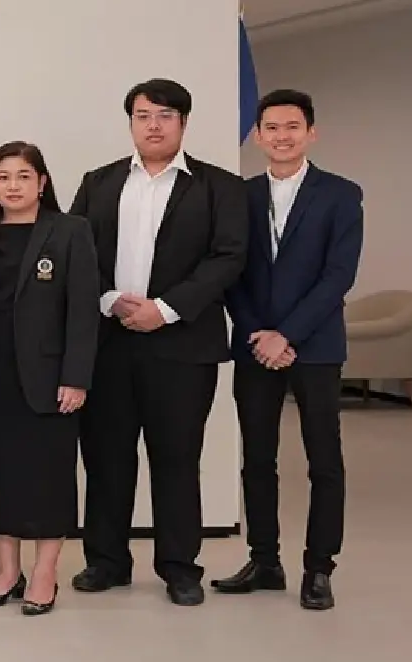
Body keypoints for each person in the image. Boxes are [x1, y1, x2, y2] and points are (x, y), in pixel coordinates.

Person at [70, 78, 248, 606]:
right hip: (107, 341)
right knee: (105, 458)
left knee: (176, 457)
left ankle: (178, 566)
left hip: (183, 345)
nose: (153, 125)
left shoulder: (219, 187)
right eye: (143, 115)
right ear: (130, 123)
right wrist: (108, 300)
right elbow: (78, 254)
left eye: (165, 115)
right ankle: (105, 561)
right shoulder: (98, 182)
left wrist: (164, 310)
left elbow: (228, 257)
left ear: (183, 123)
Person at [218, 89, 362, 610]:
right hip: (255, 344)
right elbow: (230, 269)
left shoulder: (341, 195)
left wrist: (289, 335)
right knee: (257, 458)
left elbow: (337, 276)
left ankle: (319, 568)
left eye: (292, 126)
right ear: (258, 136)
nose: (281, 136)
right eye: (272, 128)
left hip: (316, 346)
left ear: (311, 133)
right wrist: (260, 332)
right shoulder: (240, 196)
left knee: (324, 461)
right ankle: (265, 560)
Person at [0, 142, 98, 617]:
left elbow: (82, 311)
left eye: (22, 176)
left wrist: (76, 376)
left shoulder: (70, 231)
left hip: (50, 379)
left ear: (42, 182)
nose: (12, 186)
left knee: (48, 477)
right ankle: (7, 570)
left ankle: (45, 572)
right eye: (2, 177)